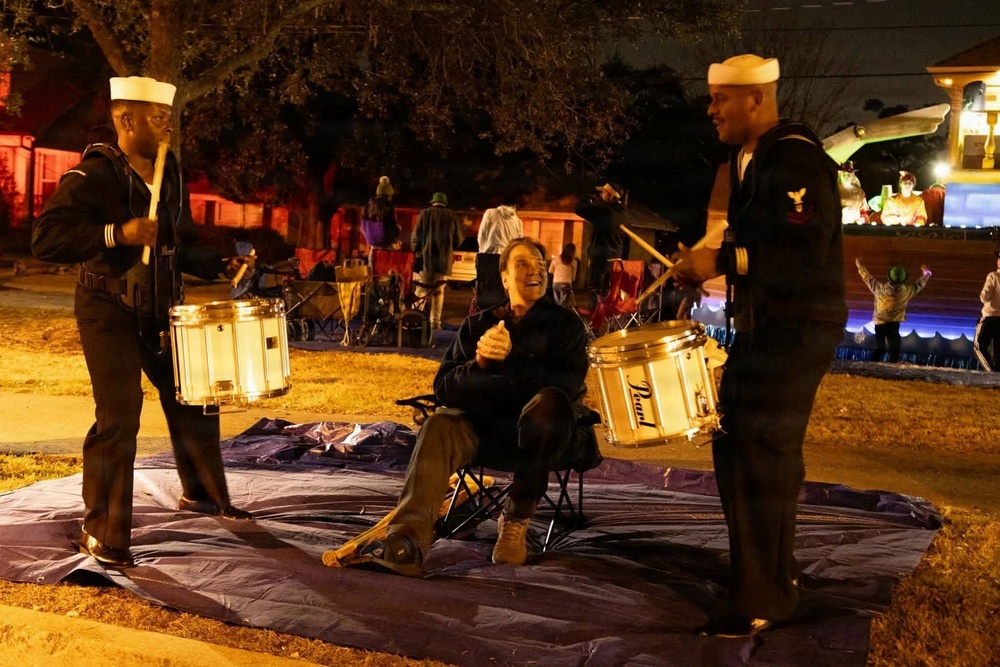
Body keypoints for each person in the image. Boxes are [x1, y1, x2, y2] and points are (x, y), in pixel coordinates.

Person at [30, 76, 255, 569]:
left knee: (195, 398)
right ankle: (103, 531)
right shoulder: (93, 176)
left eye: (168, 117)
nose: (166, 125)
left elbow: (178, 240)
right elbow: (46, 239)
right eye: (156, 118)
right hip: (107, 311)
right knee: (120, 416)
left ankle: (202, 495)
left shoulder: (169, 172)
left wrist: (218, 264)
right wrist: (118, 233)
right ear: (125, 120)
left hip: (160, 309)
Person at [671, 54, 847, 637]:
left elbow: (802, 254)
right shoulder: (746, 159)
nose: (712, 108)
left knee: (763, 457)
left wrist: (718, 261)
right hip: (763, 328)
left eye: (722, 97)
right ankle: (761, 577)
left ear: (756, 99)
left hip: (795, 329)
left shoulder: (795, 159)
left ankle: (765, 598)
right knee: (736, 448)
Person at [343, 238, 600, 576]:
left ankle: (516, 518)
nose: (535, 268)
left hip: (545, 438)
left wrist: (510, 361)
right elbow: (444, 388)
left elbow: (564, 386)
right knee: (439, 424)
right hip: (487, 430)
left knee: (548, 404)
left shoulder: (566, 326)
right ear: (504, 277)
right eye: (523, 263)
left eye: (539, 262)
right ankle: (406, 541)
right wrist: (479, 363)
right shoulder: (478, 325)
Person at [856, 259, 932, 363]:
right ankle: (892, 365)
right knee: (894, 348)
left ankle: (872, 365)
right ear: (903, 279)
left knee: (880, 347)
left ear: (889, 277)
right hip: (893, 323)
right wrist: (926, 273)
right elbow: (919, 284)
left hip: (879, 322)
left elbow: (867, 279)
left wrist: (860, 266)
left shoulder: (879, 289)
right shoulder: (907, 291)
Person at [412, 192, 464, 330]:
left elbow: (416, 237)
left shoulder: (424, 214)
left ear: (433, 202)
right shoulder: (452, 216)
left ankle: (414, 318)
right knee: (438, 292)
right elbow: (459, 239)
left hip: (425, 261)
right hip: (443, 262)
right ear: (445, 203)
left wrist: (416, 251)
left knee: (421, 290)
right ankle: (435, 323)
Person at [574, 182, 628, 311]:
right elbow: (626, 241)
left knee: (596, 291)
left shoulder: (604, 211)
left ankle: (595, 323)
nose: (600, 194)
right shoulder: (625, 215)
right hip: (616, 260)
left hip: (600, 259)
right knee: (611, 293)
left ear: (610, 195)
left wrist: (587, 198)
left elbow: (579, 209)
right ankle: (609, 319)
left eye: (603, 192)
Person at [474, 201, 523, 311]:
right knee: (503, 292)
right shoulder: (518, 221)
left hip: (488, 257)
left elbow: (482, 234)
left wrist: (482, 250)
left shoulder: (490, 213)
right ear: (515, 206)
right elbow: (519, 242)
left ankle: (484, 317)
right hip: (507, 258)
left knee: (486, 290)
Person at [360, 175, 400, 260]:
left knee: (373, 271)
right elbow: (390, 229)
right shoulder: (387, 206)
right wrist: (398, 230)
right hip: (385, 250)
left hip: (372, 250)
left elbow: (364, 227)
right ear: (389, 195)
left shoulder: (368, 206)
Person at [973, 250, 1000, 372]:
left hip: (990, 317)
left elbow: (984, 297)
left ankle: (991, 373)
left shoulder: (993, 276)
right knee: (997, 352)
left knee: (979, 346)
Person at [548, 243, 578, 308]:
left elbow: (550, 270)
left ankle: (556, 316)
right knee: (563, 305)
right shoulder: (574, 262)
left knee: (556, 303)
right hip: (566, 284)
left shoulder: (556, 259)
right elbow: (573, 277)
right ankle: (561, 316)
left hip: (556, 283)